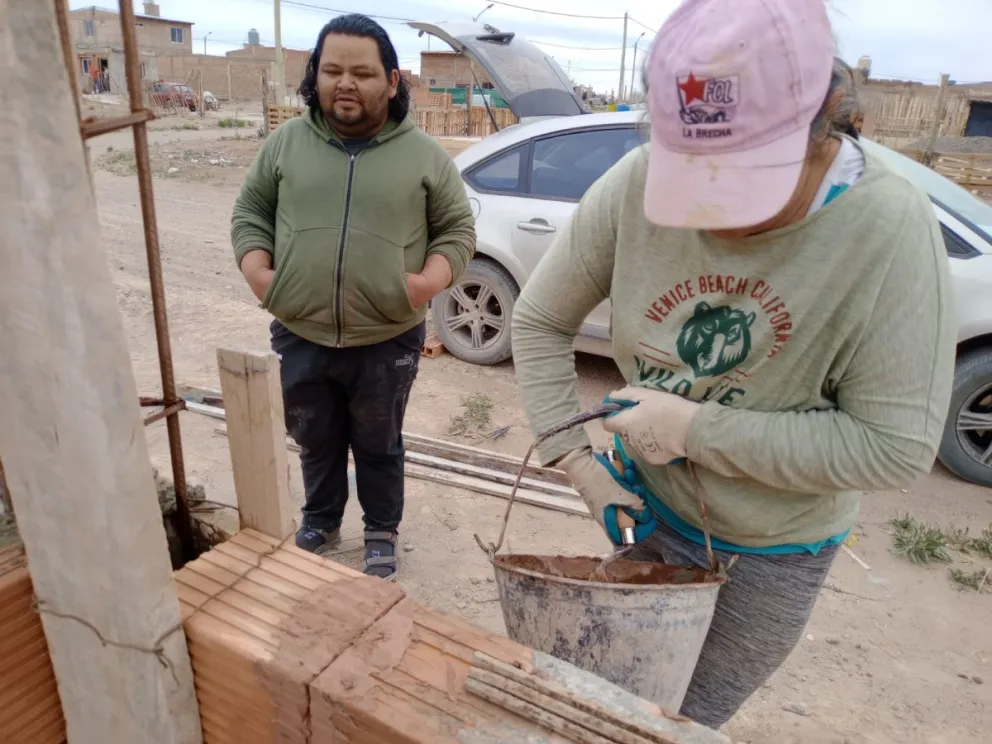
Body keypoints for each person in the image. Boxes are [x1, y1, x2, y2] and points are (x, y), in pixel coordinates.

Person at [511, 0, 954, 730]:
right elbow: (537, 321)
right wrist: (579, 464)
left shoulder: (885, 227)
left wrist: (696, 430)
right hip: (649, 508)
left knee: (680, 718)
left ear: (824, 125)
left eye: (743, 178)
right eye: (694, 176)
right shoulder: (632, 183)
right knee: (609, 698)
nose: (711, 215)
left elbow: (893, 447)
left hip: (774, 550)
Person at [231, 14, 476, 581]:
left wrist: (425, 284)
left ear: (392, 81)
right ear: (314, 75)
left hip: (386, 335)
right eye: (332, 69)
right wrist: (259, 273)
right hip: (301, 328)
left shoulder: (424, 155)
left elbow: (457, 232)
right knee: (313, 436)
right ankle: (320, 519)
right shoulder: (286, 143)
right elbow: (250, 213)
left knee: (379, 440)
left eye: (362, 73)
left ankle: (381, 530)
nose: (346, 83)